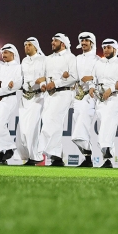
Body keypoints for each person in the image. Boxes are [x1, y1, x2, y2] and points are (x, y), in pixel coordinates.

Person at [40, 33, 78, 166]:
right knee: (47, 122)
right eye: (52, 40)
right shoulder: (48, 59)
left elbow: (74, 77)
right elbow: (43, 76)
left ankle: (55, 155)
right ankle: (56, 155)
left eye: (55, 41)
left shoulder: (70, 57)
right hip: (48, 95)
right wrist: (43, 85)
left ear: (62, 43)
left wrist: (56, 83)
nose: (52, 43)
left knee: (53, 121)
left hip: (63, 93)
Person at [89, 39, 118, 168]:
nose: (106, 50)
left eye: (108, 48)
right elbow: (93, 78)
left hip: (115, 98)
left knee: (108, 124)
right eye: (104, 47)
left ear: (115, 50)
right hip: (100, 100)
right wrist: (91, 87)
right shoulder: (98, 63)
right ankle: (107, 158)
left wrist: (113, 88)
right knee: (104, 127)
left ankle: (106, 152)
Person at [0, 44, 22, 164]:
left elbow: (18, 84)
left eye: (6, 52)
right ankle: (3, 154)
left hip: (8, 99)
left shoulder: (18, 67)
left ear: (13, 54)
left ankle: (9, 148)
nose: (4, 55)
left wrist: (1, 91)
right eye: (3, 53)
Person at [16, 37, 46, 166]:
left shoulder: (43, 60)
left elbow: (50, 74)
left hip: (38, 97)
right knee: (22, 130)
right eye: (25, 45)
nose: (27, 47)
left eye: (29, 45)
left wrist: (43, 80)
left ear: (36, 47)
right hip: (24, 98)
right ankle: (28, 156)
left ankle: (36, 156)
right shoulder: (24, 61)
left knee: (32, 128)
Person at [72, 32, 100, 167]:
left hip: (90, 96)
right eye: (82, 41)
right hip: (77, 97)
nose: (83, 43)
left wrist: (90, 79)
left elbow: (102, 76)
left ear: (92, 43)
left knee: (79, 129)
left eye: (86, 41)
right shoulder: (76, 58)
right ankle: (88, 158)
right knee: (79, 125)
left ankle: (88, 153)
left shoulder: (97, 60)